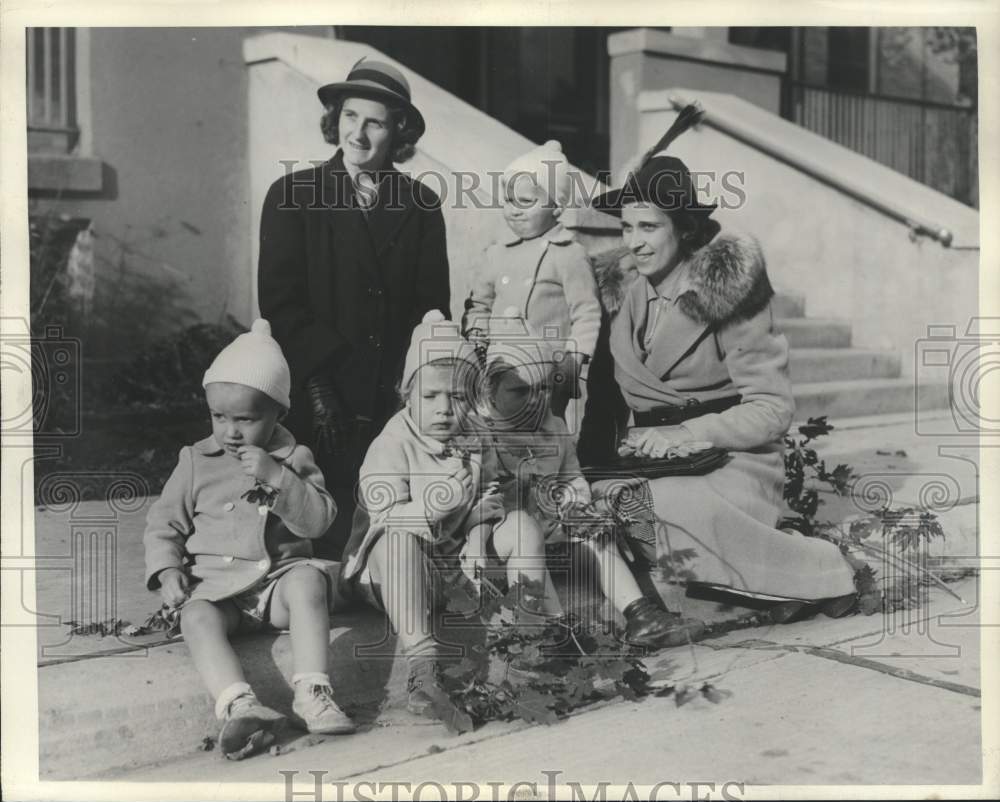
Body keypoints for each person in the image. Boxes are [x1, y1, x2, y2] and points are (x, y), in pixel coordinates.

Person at [590, 106, 861, 621]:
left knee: (662, 508)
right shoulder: (624, 292)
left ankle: (817, 571)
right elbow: (605, 397)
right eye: (626, 227)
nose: (633, 242)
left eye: (649, 226)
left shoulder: (729, 292)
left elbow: (772, 408)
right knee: (591, 502)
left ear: (684, 228)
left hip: (731, 459)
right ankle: (758, 587)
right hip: (649, 460)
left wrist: (687, 432)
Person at [258, 58, 451, 559]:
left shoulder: (422, 204)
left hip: (390, 396)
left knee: (388, 537)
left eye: (375, 122)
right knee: (313, 537)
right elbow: (281, 303)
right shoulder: (292, 196)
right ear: (334, 120)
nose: (358, 134)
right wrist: (320, 387)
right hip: (317, 394)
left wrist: (408, 389)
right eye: (349, 117)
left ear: (399, 131)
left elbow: (432, 308)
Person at [142, 319, 354, 762]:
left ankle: (313, 690)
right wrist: (166, 570)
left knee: (308, 583)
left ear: (278, 413)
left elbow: (319, 522)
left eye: (245, 419)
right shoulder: (196, 461)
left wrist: (279, 479)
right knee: (196, 617)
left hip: (276, 583)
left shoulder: (292, 458)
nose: (230, 431)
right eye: (219, 417)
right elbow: (164, 523)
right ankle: (239, 703)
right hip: (221, 591)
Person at [341, 311, 566, 715]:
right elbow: (384, 515)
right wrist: (432, 508)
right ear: (405, 394)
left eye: (458, 397)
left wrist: (479, 528)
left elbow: (492, 492)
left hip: (458, 567)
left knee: (521, 525)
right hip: (400, 577)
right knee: (395, 540)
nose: (445, 409)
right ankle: (423, 669)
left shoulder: (475, 436)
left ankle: (530, 642)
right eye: (430, 397)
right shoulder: (391, 445)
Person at [472, 309, 705, 647]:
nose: (535, 402)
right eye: (520, 392)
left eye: (542, 389)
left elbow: (571, 477)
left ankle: (639, 614)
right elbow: (478, 501)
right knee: (526, 539)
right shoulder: (482, 435)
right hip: (505, 546)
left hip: (553, 534)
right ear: (489, 392)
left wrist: (575, 504)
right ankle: (551, 635)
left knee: (595, 531)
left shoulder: (553, 427)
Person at [463, 140, 601, 432]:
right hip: (499, 366)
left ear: (557, 207)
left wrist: (573, 360)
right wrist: (477, 341)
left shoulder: (568, 253)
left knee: (545, 434)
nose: (514, 210)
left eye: (526, 202)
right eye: (509, 201)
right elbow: (480, 304)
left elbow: (586, 312)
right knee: (496, 432)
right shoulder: (497, 252)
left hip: (547, 371)